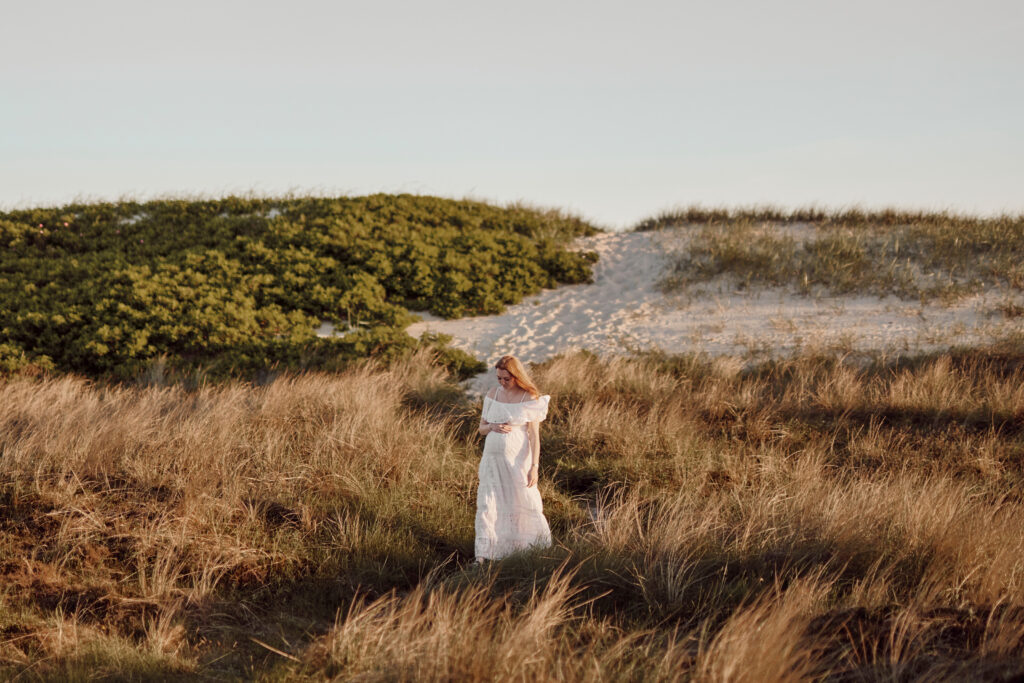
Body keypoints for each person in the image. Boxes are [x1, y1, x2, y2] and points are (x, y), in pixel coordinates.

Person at [474, 355, 552, 562]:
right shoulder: (493, 394)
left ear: (516, 376)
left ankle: (527, 549)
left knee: (522, 500)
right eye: (499, 378)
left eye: (506, 379)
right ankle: (483, 555)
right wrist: (492, 426)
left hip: (518, 460)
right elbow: (481, 428)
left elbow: (534, 436)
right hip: (492, 460)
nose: (502, 382)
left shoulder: (529, 397)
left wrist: (534, 467)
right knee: (489, 502)